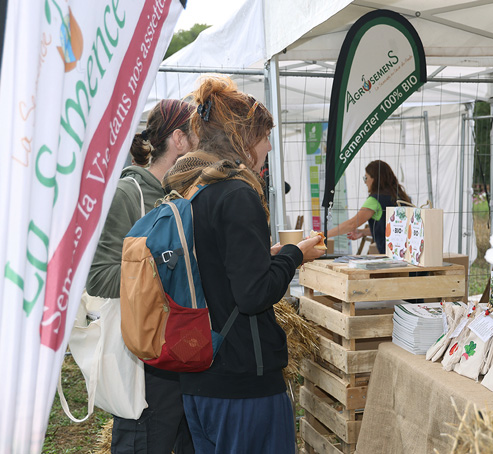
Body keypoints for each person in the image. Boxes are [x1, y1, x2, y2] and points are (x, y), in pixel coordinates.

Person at [161, 74, 324, 454]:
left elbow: (216, 269)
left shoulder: (190, 190)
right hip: (242, 382)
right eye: (265, 136)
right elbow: (253, 295)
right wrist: (293, 255)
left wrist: (264, 257)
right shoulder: (237, 193)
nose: (269, 145)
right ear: (244, 138)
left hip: (200, 377)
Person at [86, 99, 198, 454]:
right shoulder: (127, 194)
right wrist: (169, 264)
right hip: (146, 360)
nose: (205, 142)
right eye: (198, 134)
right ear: (179, 140)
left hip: (184, 351)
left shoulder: (184, 195)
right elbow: (99, 277)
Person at [327, 160, 411, 254]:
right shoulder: (403, 197)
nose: (365, 182)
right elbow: (392, 229)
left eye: (366, 178)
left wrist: (324, 235)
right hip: (409, 253)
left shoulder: (374, 200)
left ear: (374, 179)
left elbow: (352, 224)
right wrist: (362, 232)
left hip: (391, 255)